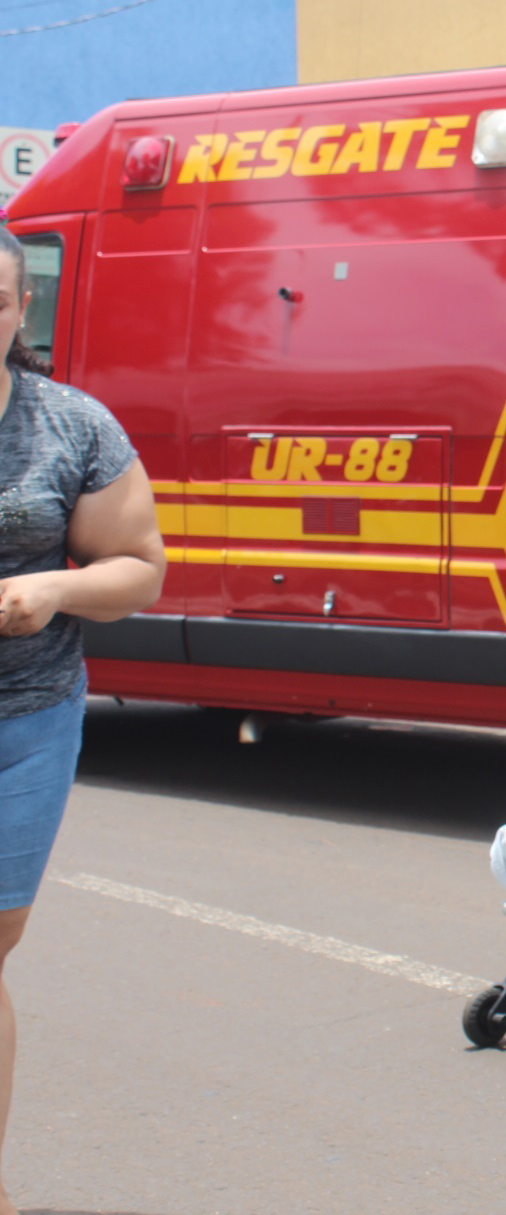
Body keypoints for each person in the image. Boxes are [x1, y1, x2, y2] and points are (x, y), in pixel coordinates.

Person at [0, 226, 166, 1215]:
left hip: (24, 722)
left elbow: (138, 566)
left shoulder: (72, 427)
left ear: (19, 310)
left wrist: (54, 589)